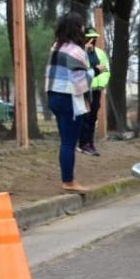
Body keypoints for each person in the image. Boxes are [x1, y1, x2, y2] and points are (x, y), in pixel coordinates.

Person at [44, 11, 91, 193]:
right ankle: (68, 181)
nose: (84, 28)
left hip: (53, 96)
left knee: (65, 141)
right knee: (69, 142)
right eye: (82, 25)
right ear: (77, 28)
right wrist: (94, 71)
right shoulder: (77, 51)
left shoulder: (56, 47)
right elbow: (81, 82)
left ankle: (67, 179)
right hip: (69, 98)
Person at [78, 27, 110, 156]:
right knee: (84, 116)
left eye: (94, 38)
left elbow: (106, 70)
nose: (92, 41)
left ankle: (90, 143)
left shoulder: (100, 53)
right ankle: (82, 143)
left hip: (96, 90)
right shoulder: (79, 53)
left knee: (93, 117)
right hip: (84, 89)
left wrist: (100, 83)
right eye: (90, 38)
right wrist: (84, 51)